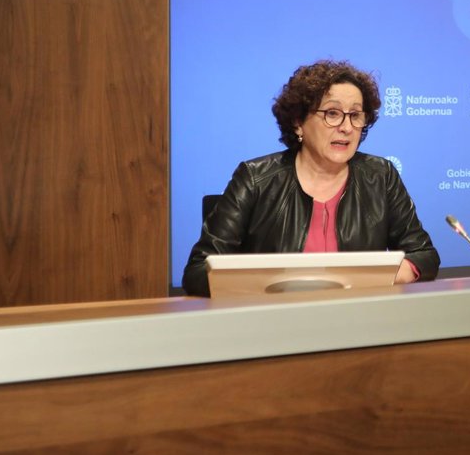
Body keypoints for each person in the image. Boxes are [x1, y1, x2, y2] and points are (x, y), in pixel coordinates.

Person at [182, 60, 440, 296]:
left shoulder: (381, 176)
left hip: (359, 318)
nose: (346, 128)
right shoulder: (255, 179)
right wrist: (261, 285)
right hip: (272, 320)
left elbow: (424, 254)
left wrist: (386, 276)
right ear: (298, 122)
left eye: (355, 115)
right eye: (332, 113)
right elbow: (197, 273)